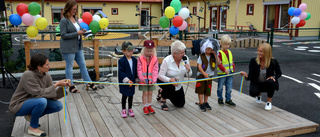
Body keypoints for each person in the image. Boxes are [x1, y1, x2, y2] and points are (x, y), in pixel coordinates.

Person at [9, 54, 71, 136]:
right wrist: (57, 84)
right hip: (19, 105)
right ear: (39, 67)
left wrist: (63, 87)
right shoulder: (28, 75)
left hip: (34, 101)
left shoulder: (47, 76)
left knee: (58, 105)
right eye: (47, 64)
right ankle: (33, 128)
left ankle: (31, 116)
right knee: (42, 101)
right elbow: (38, 94)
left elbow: (51, 95)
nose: (49, 66)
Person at [60, 0, 97, 93]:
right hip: (69, 48)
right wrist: (77, 33)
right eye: (73, 9)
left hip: (78, 46)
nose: (74, 11)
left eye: (76, 9)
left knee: (83, 65)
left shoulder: (75, 18)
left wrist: (83, 31)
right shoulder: (64, 20)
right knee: (69, 66)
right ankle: (71, 85)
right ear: (68, 8)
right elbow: (63, 35)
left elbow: (78, 30)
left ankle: (88, 82)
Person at [240, 43, 282, 110]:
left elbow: (279, 73)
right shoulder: (253, 61)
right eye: (258, 50)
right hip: (257, 82)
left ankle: (269, 102)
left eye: (261, 51)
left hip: (267, 82)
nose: (258, 52)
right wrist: (246, 75)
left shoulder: (273, 62)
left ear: (266, 53)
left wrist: (273, 77)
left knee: (272, 82)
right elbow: (250, 76)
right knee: (253, 92)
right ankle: (258, 95)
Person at [157, 40, 192, 110]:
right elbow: (160, 76)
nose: (184, 54)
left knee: (180, 104)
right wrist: (170, 80)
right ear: (175, 54)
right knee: (170, 86)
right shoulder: (167, 60)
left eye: (184, 52)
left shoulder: (185, 59)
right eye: (181, 53)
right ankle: (163, 99)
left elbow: (189, 75)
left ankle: (161, 92)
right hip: (165, 82)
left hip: (178, 84)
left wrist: (188, 70)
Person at [195, 38, 220, 111]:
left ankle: (206, 102)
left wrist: (215, 54)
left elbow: (218, 62)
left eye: (210, 49)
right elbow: (199, 66)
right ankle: (201, 102)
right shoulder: (201, 56)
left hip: (209, 76)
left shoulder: (213, 56)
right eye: (207, 49)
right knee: (200, 89)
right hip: (202, 75)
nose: (209, 51)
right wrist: (204, 73)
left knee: (207, 90)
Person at [137, 40, 158, 115]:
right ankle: (145, 106)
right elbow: (139, 70)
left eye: (150, 51)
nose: (149, 52)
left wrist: (154, 79)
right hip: (144, 80)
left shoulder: (155, 59)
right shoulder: (140, 59)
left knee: (150, 92)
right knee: (145, 93)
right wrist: (142, 79)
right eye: (147, 51)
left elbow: (155, 70)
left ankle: (149, 105)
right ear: (144, 50)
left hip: (151, 80)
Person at [118, 41, 137, 118]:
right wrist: (127, 80)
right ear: (123, 51)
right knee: (124, 95)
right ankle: (123, 109)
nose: (131, 53)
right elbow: (121, 72)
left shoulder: (134, 60)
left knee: (131, 96)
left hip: (132, 81)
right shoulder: (121, 61)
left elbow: (136, 70)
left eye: (132, 51)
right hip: (125, 82)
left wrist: (137, 79)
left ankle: (130, 108)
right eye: (129, 51)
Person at [216, 35, 236, 106]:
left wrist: (233, 68)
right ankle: (220, 98)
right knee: (220, 87)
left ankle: (228, 99)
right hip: (222, 74)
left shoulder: (229, 52)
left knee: (229, 87)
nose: (227, 46)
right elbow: (219, 64)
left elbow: (232, 61)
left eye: (228, 45)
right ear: (221, 43)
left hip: (230, 73)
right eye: (226, 44)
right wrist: (224, 70)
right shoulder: (219, 53)